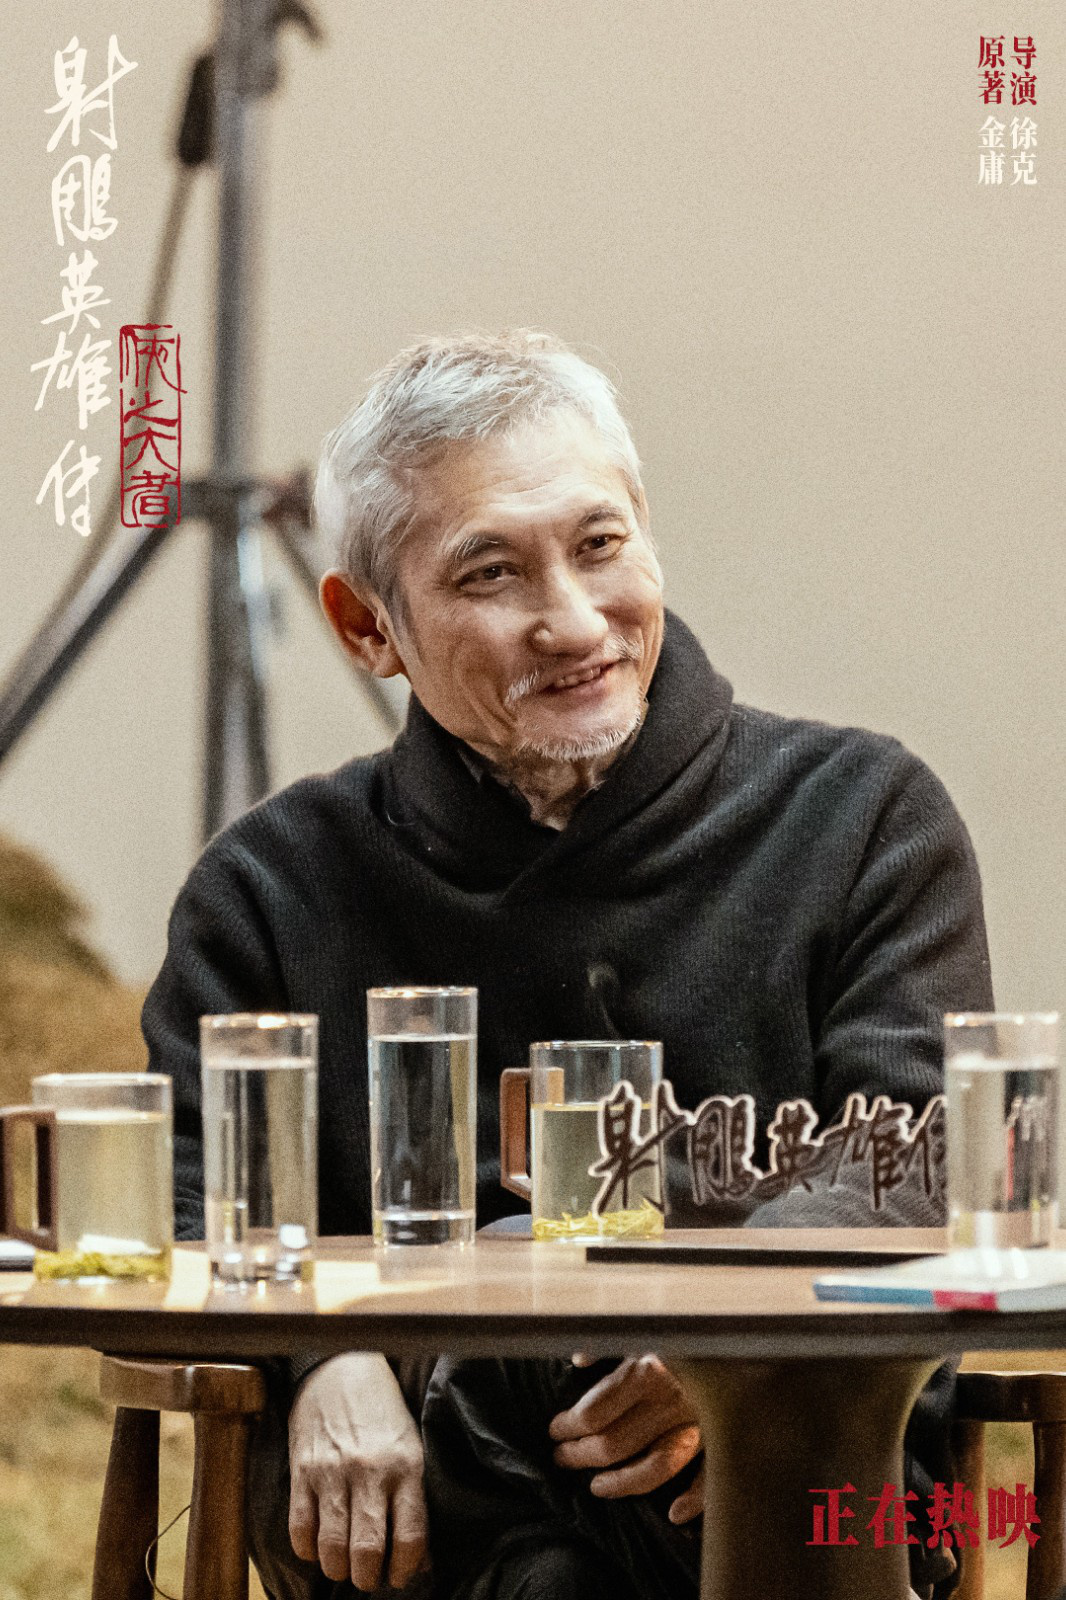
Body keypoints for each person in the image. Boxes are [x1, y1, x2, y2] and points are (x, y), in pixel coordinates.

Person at [142, 329, 993, 1600]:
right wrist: (321, 1353)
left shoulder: (862, 816)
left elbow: (924, 1157)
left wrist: (724, 1352)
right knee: (532, 1428)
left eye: (600, 545)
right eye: (490, 572)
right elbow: (181, 1189)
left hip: (794, 1461)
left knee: (559, 1400)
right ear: (366, 626)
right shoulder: (271, 885)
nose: (574, 621)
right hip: (401, 1507)